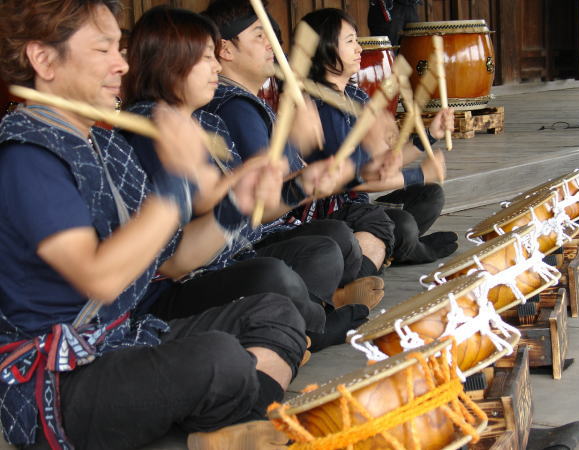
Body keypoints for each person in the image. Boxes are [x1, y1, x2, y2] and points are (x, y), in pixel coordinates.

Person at [0, 1, 307, 448]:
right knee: (221, 359)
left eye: (119, 49)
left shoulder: (104, 143)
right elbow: (99, 278)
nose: (121, 64)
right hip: (61, 385)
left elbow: (178, 260)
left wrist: (238, 203)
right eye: (103, 49)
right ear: (43, 59)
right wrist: (178, 182)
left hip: (125, 339)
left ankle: (226, 430)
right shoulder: (26, 156)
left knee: (274, 311)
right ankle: (217, 430)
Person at [121, 5, 367, 352]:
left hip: (225, 250)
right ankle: (311, 327)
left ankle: (301, 325)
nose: (217, 68)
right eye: (207, 58)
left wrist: (300, 182)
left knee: (322, 246)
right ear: (171, 61)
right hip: (174, 283)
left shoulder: (206, 123)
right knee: (273, 274)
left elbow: (238, 203)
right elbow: (179, 253)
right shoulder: (150, 130)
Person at [203, 0, 396, 290]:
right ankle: (344, 290)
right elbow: (267, 195)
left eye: (271, 36)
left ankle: (353, 280)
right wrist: (301, 147)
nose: (272, 44)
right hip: (252, 238)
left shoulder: (245, 101)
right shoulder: (235, 106)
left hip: (282, 219)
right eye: (259, 35)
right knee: (339, 236)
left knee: (373, 224)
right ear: (226, 49)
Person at [300, 7, 459, 265]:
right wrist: (418, 174)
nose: (359, 48)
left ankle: (394, 247)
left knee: (429, 195)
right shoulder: (321, 106)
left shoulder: (355, 97)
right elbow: (355, 181)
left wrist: (430, 135)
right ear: (325, 48)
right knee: (404, 224)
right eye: (350, 41)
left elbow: (384, 165)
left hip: (361, 209)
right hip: (332, 215)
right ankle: (406, 248)